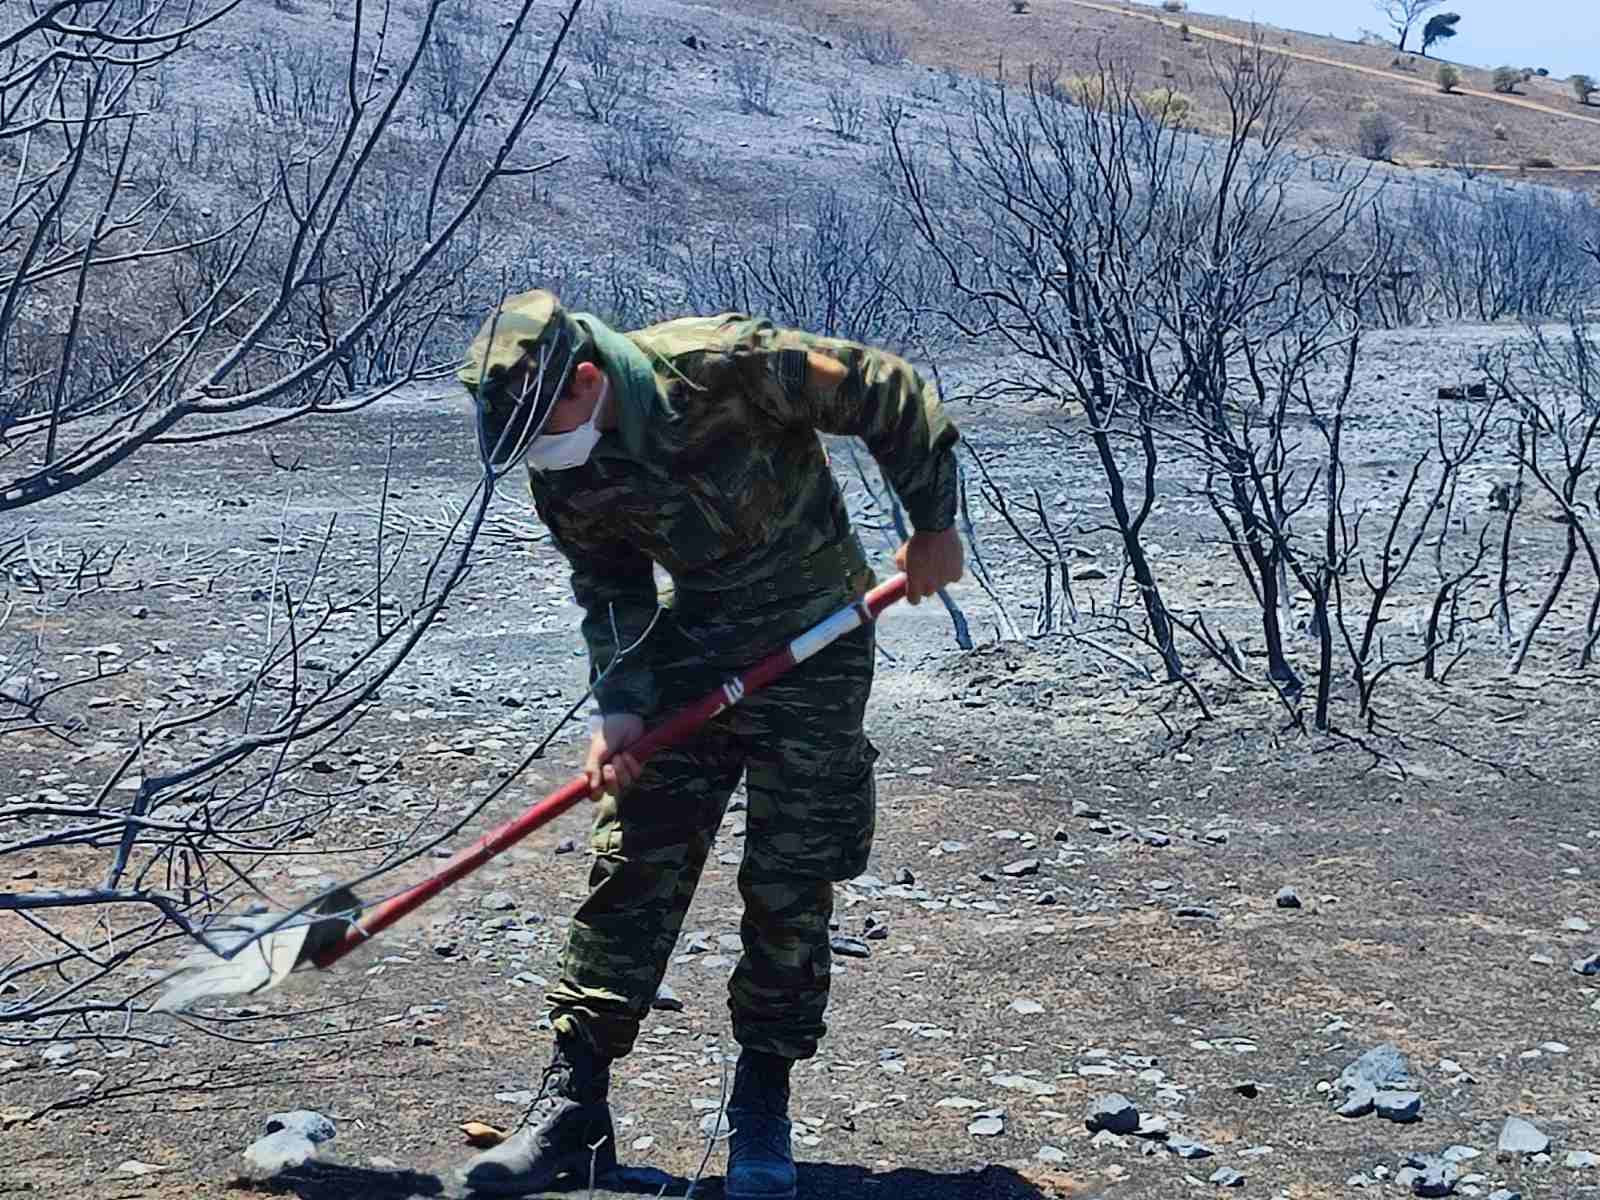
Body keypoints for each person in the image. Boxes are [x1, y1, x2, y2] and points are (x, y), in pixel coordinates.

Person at [453, 290, 964, 1198]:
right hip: (692, 652)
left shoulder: (725, 366)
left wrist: (931, 525)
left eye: (549, 428)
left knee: (791, 875)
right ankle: (577, 1106)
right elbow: (610, 586)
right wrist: (620, 706)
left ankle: (761, 1101)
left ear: (585, 378)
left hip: (817, 639)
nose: (547, 456)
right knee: (633, 855)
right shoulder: (560, 461)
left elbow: (889, 390)